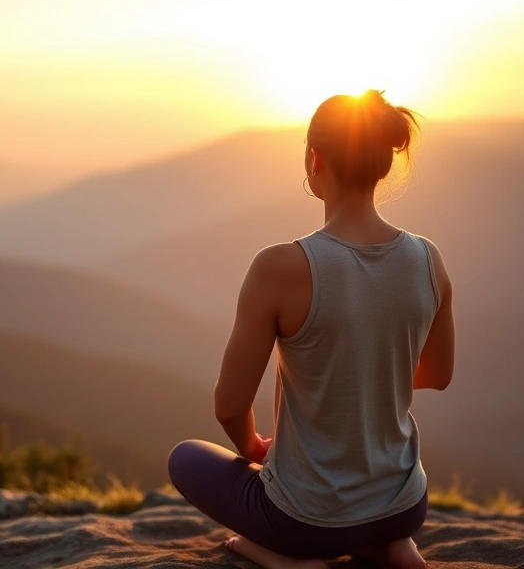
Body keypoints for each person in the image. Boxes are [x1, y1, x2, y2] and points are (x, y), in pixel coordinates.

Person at [167, 90, 455, 569]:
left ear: (314, 158)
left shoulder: (281, 266)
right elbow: (438, 373)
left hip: (305, 521)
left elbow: (229, 405)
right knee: (372, 524)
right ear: (384, 160)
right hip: (404, 505)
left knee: (184, 458)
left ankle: (288, 560)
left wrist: (256, 449)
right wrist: (365, 379)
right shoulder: (428, 259)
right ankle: (387, 544)